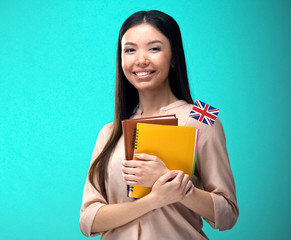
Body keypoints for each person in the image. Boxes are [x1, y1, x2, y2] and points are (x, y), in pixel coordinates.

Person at [79, 10, 238, 239]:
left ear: (174, 57)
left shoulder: (204, 117)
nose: (141, 59)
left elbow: (228, 214)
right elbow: (87, 221)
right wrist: (154, 200)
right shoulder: (109, 132)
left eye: (154, 48)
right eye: (130, 50)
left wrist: (175, 186)